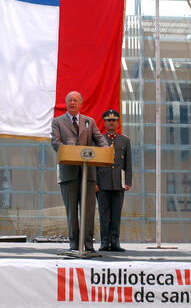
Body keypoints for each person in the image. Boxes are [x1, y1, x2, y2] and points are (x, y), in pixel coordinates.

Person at [51, 91, 108, 252]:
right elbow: (55, 142)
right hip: (68, 173)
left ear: (81, 103)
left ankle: (88, 245)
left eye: (76, 100)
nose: (73, 103)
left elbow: (100, 139)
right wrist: (70, 151)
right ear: (66, 103)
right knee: (71, 211)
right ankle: (74, 244)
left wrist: (106, 149)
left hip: (87, 173)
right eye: (70, 100)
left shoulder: (89, 122)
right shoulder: (58, 122)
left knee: (88, 211)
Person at [96, 109, 132, 252]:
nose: (111, 123)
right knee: (104, 214)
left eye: (114, 120)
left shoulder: (125, 140)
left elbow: (128, 163)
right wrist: (95, 183)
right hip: (103, 183)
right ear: (104, 122)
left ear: (117, 122)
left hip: (118, 182)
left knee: (116, 214)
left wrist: (128, 182)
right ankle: (105, 242)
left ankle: (115, 241)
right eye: (108, 120)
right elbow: (95, 164)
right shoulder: (98, 140)